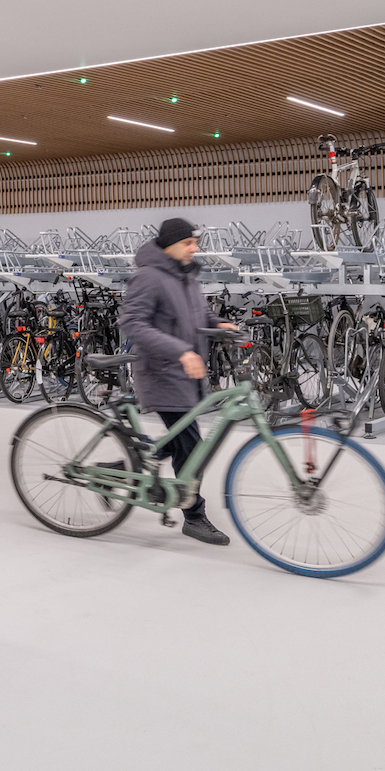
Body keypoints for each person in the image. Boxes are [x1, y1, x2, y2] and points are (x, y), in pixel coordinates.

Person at [119, 217, 238, 545]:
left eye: (195, 242)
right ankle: (194, 516)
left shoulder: (185, 275)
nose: (194, 248)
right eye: (188, 242)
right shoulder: (149, 277)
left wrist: (220, 324)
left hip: (184, 375)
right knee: (192, 448)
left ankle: (123, 465)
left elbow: (198, 314)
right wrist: (181, 352)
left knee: (175, 441)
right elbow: (132, 323)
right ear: (170, 244)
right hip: (162, 373)